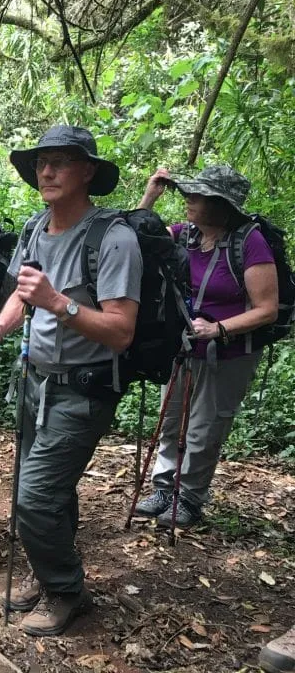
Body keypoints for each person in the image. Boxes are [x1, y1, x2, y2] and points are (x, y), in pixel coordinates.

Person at [0, 125, 141, 636]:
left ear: (87, 171)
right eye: (41, 162)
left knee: (35, 498)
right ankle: (49, 576)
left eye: (60, 162)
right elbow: (23, 294)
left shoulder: (113, 238)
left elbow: (121, 332)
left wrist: (59, 303)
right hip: (35, 380)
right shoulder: (34, 228)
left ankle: (66, 592)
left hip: (84, 388)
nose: (46, 171)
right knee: (49, 490)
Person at [133, 165, 278, 529]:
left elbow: (267, 309)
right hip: (184, 347)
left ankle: (190, 498)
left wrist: (218, 329)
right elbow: (138, 239)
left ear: (221, 204)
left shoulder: (250, 243)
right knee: (171, 422)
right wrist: (150, 196)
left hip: (228, 353)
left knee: (203, 427)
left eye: (197, 196)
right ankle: (165, 489)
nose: (188, 200)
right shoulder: (186, 236)